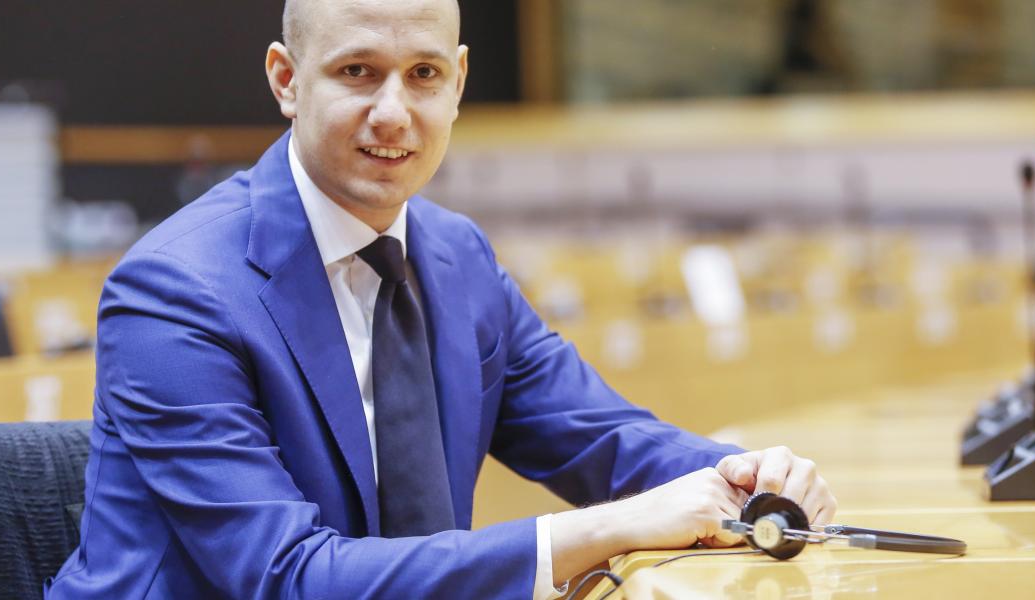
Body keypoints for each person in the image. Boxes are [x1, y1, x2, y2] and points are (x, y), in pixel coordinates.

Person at [45, 1, 836, 598]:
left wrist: (744, 479)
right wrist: (601, 531)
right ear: (287, 80)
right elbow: (285, 577)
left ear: (457, 82)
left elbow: (601, 438)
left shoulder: (457, 257)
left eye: (423, 74)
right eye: (357, 72)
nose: (394, 112)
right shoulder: (175, 292)